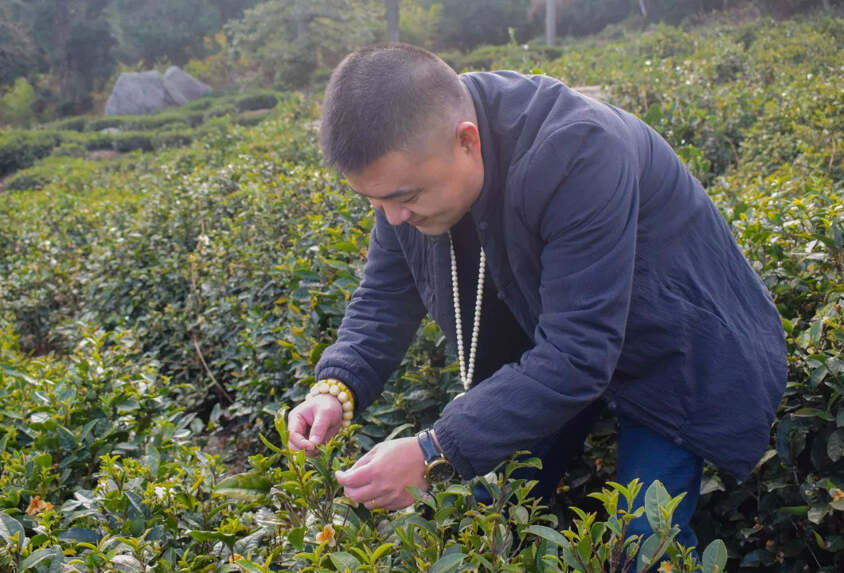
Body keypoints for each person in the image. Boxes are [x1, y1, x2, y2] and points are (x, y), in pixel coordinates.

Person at [286, 43, 787, 553]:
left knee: (642, 543)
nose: (393, 218)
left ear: (467, 142)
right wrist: (335, 387)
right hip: (556, 341)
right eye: (376, 202)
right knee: (494, 512)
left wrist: (432, 451)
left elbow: (578, 354)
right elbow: (386, 294)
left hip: (673, 346)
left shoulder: (577, 150)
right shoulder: (409, 166)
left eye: (405, 199)